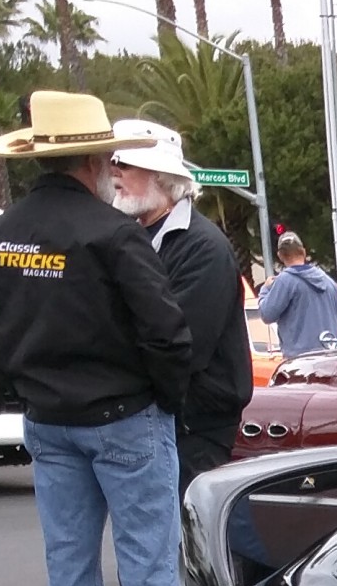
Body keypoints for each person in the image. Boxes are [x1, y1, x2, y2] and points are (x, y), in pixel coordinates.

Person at [0, 90, 192, 586]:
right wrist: (163, 396)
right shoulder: (112, 234)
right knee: (148, 557)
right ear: (95, 159)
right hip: (123, 413)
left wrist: (27, 385)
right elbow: (166, 332)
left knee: (68, 556)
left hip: (49, 417)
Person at [108, 125, 255, 485]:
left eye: (125, 164)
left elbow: (184, 344)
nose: (114, 172)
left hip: (195, 428)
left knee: (188, 537)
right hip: (155, 419)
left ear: (160, 176)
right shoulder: (132, 238)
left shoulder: (203, 247)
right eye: (113, 162)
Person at [254, 228, 337, 359]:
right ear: (303, 252)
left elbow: (267, 315)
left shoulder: (285, 281)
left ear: (280, 256)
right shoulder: (328, 281)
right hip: (331, 358)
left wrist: (265, 290)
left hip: (300, 361)